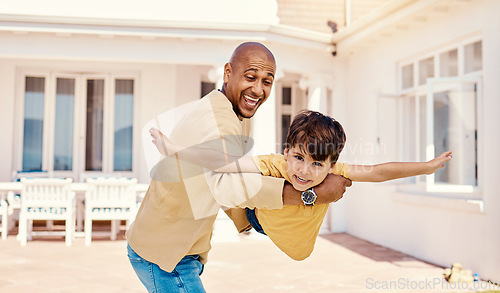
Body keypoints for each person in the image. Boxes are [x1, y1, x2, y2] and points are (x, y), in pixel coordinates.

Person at [126, 42, 351, 293]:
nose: (258, 89)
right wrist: (310, 196)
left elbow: (218, 172)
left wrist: (246, 219)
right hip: (165, 255)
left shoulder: (233, 112)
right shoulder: (221, 121)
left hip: (176, 248)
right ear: (227, 73)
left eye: (267, 81)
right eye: (250, 77)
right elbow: (225, 187)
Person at [150, 110, 452, 261]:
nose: (304, 171)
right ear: (287, 151)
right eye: (298, 158)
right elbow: (221, 161)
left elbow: (377, 172)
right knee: (231, 174)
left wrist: (426, 167)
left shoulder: (337, 171)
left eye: (317, 164)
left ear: (331, 163)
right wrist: (174, 150)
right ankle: (240, 220)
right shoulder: (276, 164)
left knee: (334, 182)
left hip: (298, 247)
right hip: (261, 219)